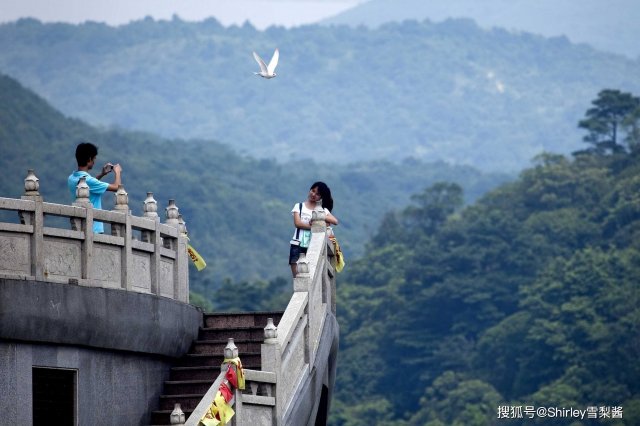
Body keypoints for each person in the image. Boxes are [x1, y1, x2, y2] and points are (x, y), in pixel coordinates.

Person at [67, 142, 122, 234]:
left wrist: (102, 174)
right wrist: (118, 172)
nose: (94, 161)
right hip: (94, 229)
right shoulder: (89, 180)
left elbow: (89, 185)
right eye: (94, 158)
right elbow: (117, 188)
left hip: (79, 227)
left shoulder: (71, 178)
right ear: (89, 159)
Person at [289, 181, 339, 277]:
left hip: (313, 245)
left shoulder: (322, 210)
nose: (313, 194)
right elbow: (298, 223)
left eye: (317, 194)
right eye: (313, 191)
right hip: (297, 244)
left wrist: (319, 216)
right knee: (297, 276)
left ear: (321, 197)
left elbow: (335, 221)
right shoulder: (299, 206)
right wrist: (315, 227)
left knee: (312, 274)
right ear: (309, 190)